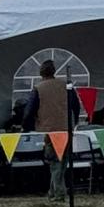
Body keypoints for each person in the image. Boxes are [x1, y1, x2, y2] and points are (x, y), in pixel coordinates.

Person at [31, 61, 73, 197]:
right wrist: (74, 121)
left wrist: (27, 125)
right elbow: (76, 105)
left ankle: (59, 193)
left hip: (49, 130)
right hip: (66, 128)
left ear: (41, 73)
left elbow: (30, 109)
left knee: (55, 163)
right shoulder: (65, 86)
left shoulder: (38, 88)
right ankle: (53, 191)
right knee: (61, 162)